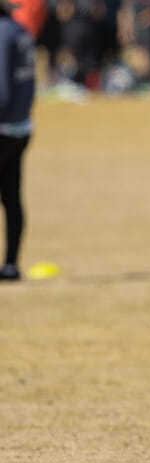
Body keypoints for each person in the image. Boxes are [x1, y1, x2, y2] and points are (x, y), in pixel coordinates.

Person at [0, 0, 35, 281]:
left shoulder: (2, 32)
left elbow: (1, 89)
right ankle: (11, 264)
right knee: (11, 197)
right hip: (21, 127)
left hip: (3, 127)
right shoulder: (19, 30)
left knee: (11, 197)